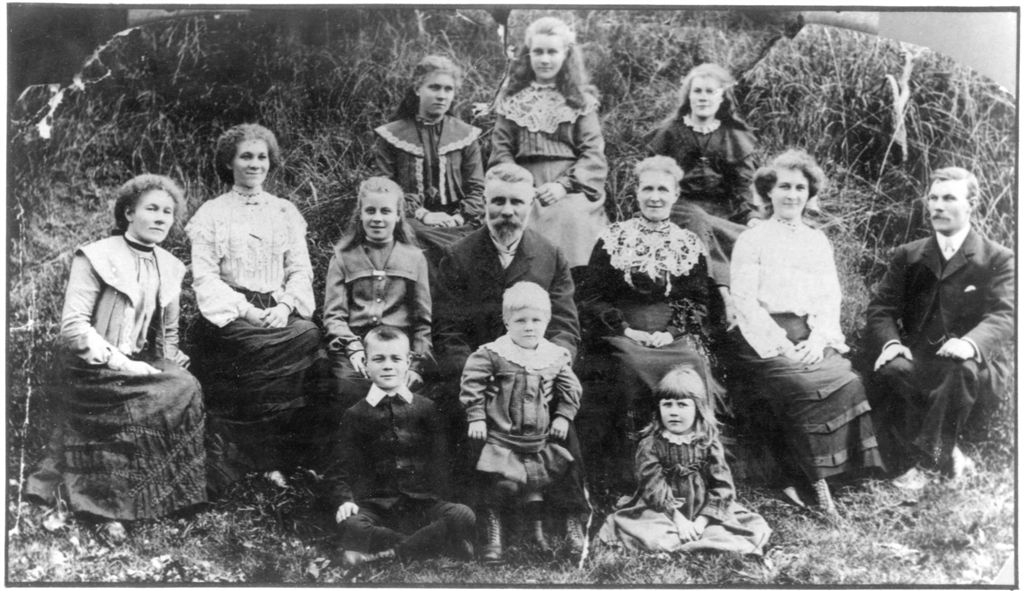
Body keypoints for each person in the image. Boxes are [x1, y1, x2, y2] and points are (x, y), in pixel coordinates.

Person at [26, 174, 206, 541]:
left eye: (168, 212)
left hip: (139, 360)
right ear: (128, 212)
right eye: (151, 209)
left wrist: (171, 360)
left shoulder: (171, 266)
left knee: (185, 385)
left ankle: (171, 495)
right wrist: (122, 363)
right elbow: (74, 328)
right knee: (139, 400)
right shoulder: (96, 256)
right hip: (91, 365)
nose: (160, 218)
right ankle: (107, 506)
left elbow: (167, 334)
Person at [433, 162, 588, 535]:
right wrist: (479, 377)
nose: (507, 211)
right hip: (481, 377)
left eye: (516, 202)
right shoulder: (458, 256)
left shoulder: (549, 255)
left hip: (537, 373)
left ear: (531, 204)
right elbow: (447, 331)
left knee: (562, 420)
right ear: (483, 203)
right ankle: (484, 518)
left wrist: (553, 363)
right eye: (498, 201)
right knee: (465, 423)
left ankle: (568, 514)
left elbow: (566, 324)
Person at [728, 149, 884, 515]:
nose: (791, 195)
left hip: (809, 331)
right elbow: (745, 301)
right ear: (769, 192)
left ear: (809, 193)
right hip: (762, 335)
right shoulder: (752, 239)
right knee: (800, 385)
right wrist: (782, 344)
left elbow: (830, 296)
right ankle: (812, 480)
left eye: (800, 187)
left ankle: (844, 473)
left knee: (847, 378)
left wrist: (817, 340)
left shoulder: (816, 240)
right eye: (784, 186)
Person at [186, 123, 327, 492]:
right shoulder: (211, 213)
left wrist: (284, 306)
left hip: (278, 308)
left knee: (308, 334)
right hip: (232, 313)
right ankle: (259, 459)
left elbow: (300, 270)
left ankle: (293, 455)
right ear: (229, 163)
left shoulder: (284, 211)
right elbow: (205, 277)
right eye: (245, 156)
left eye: (261, 156)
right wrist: (246, 311)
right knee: (255, 346)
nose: (255, 164)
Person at [577, 156, 723, 492]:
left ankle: (693, 471)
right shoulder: (613, 238)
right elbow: (593, 297)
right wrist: (626, 330)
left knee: (692, 364)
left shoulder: (688, 244)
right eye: (648, 189)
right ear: (636, 194)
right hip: (622, 330)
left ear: (675, 195)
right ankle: (636, 473)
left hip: (672, 330)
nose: (655, 197)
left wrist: (669, 332)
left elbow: (698, 302)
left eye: (662, 190)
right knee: (631, 368)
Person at [867, 167, 1014, 489]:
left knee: (959, 371)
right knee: (892, 370)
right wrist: (892, 344)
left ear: (971, 204)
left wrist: (970, 342)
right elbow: (881, 309)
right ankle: (952, 453)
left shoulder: (998, 258)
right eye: (933, 198)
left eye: (949, 198)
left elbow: (1006, 314)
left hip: (974, 364)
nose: (937, 206)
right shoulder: (909, 254)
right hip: (920, 356)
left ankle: (927, 463)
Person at [322, 326, 476, 566]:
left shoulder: (427, 408)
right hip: (376, 508)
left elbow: (442, 461)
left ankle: (391, 554)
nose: (387, 365)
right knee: (350, 523)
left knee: (463, 514)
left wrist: (440, 499)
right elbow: (339, 467)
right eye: (378, 359)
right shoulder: (355, 413)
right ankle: (432, 546)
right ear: (366, 362)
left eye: (395, 359)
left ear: (408, 362)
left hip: (422, 505)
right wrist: (345, 500)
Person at [461, 282, 586, 562]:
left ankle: (538, 532)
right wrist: (477, 416)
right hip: (501, 437)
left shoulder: (552, 356)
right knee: (496, 483)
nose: (529, 327)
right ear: (507, 322)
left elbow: (572, 388)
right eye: (520, 320)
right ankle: (492, 534)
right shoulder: (494, 353)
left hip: (537, 439)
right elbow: (472, 383)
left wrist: (564, 415)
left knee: (540, 481)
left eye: (536, 320)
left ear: (547, 321)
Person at [597, 368, 771, 556]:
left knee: (728, 530)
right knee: (653, 533)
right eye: (667, 405)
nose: (673, 412)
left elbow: (722, 487)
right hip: (662, 509)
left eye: (682, 405)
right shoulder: (650, 445)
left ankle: (703, 537)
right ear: (658, 408)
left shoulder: (707, 442)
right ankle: (682, 541)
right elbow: (653, 487)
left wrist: (701, 521)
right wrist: (678, 519)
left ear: (698, 408)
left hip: (702, 508)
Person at [489, 16, 608, 271]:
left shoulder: (579, 100)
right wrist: (520, 184)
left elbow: (593, 155)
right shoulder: (512, 98)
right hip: (522, 182)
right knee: (519, 215)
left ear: (565, 54)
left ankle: (573, 289)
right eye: (538, 52)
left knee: (571, 216)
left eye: (552, 52)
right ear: (528, 54)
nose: (544, 59)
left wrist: (564, 186)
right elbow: (501, 151)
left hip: (571, 186)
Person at [323, 176, 431, 408]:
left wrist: (415, 365)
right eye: (370, 211)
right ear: (360, 214)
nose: (378, 218)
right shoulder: (344, 257)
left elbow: (423, 320)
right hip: (357, 347)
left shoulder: (414, 257)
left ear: (398, 215)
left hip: (399, 349)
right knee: (350, 387)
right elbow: (334, 316)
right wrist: (353, 348)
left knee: (410, 397)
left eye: (385, 211)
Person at [374, 54, 485, 266]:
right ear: (417, 89)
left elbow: (477, 187)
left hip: (460, 220)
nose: (442, 96)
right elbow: (384, 189)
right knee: (414, 236)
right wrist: (423, 215)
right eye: (434, 87)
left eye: (448, 89)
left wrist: (460, 217)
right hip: (412, 219)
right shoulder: (391, 135)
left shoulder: (466, 135)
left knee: (479, 237)